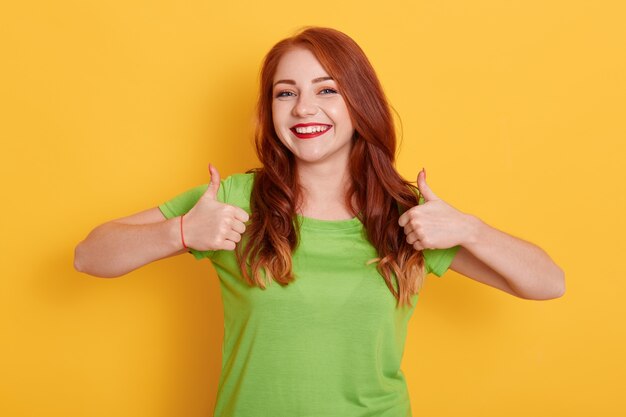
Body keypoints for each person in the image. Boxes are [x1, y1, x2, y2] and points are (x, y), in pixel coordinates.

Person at [74, 26, 565, 417]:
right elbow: (89, 254)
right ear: (271, 110)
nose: (304, 108)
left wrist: (469, 229)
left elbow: (547, 283)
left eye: (326, 89)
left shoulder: (406, 216)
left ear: (359, 102)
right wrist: (180, 232)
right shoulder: (231, 201)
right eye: (285, 94)